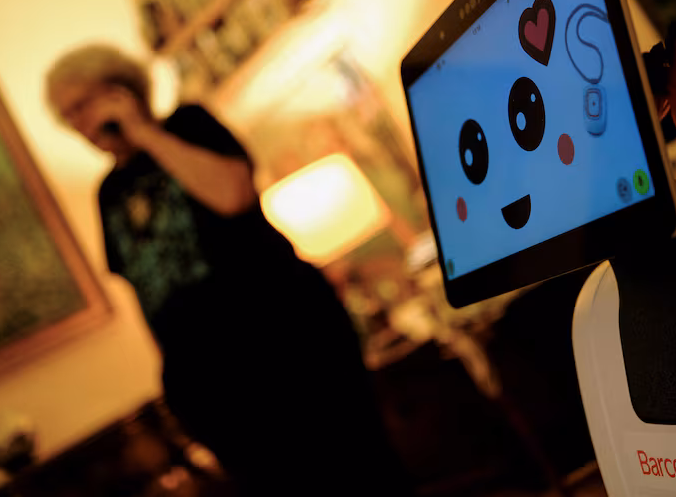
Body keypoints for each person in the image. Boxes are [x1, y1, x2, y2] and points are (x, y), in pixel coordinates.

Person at [45, 44, 410, 496]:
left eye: (83, 105)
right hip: (210, 384)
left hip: (288, 343)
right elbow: (144, 289)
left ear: (119, 89)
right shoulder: (109, 193)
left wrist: (144, 133)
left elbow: (233, 195)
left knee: (360, 470)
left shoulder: (190, 125)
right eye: (68, 116)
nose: (79, 124)